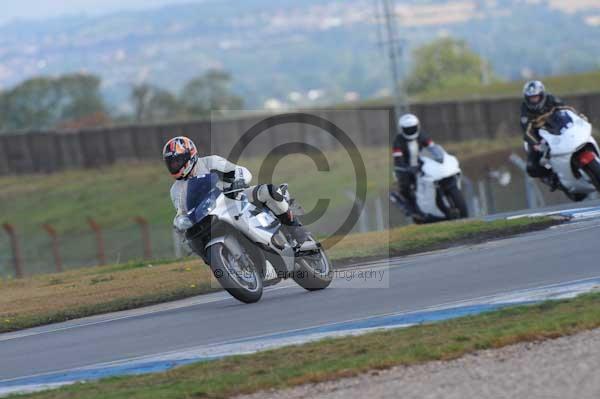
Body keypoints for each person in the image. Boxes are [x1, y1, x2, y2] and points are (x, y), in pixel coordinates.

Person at [162, 136, 309, 246]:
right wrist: (179, 221)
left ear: (190, 155)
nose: (175, 166)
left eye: (177, 161)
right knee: (193, 240)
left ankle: (295, 229)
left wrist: (237, 181)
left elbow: (240, 171)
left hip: (237, 198)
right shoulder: (176, 189)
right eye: (171, 163)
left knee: (268, 191)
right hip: (210, 216)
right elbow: (181, 211)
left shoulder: (211, 162)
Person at [520, 80, 571, 190]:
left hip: (557, 128)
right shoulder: (525, 109)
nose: (534, 100)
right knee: (532, 167)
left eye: (536, 97)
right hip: (538, 136)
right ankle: (550, 176)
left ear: (542, 95)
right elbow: (527, 131)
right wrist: (536, 144)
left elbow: (567, 110)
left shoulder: (551, 99)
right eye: (531, 98)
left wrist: (578, 117)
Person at [392, 113, 443, 215]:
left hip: (421, 165)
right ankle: (410, 208)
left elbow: (432, 147)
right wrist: (406, 168)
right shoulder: (398, 140)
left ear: (417, 126)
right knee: (405, 186)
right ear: (402, 129)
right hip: (404, 168)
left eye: (412, 127)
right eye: (408, 128)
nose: (410, 130)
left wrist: (439, 156)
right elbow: (398, 157)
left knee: (437, 177)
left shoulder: (421, 135)